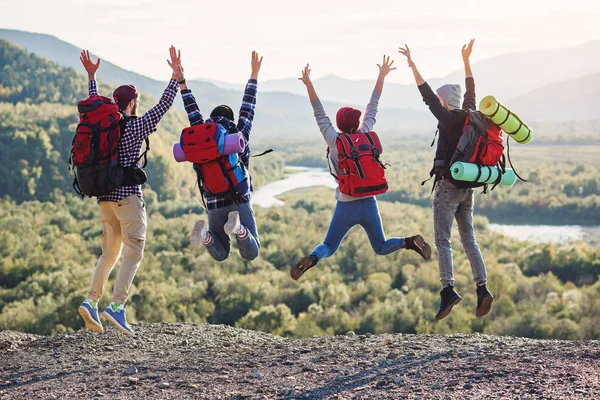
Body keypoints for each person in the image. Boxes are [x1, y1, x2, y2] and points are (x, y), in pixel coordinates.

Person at [291, 56, 432, 281]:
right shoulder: (366, 132)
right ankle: (409, 241)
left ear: (338, 125)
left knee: (329, 245)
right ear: (356, 124)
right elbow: (372, 107)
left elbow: (319, 113)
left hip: (346, 205)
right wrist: (381, 76)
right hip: (369, 203)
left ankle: (313, 258)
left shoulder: (335, 141)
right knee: (381, 246)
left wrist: (309, 84)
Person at [77, 47, 180, 336]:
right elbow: (163, 106)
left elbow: (94, 101)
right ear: (133, 103)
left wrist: (91, 77)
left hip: (105, 201)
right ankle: (117, 307)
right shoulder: (135, 127)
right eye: (136, 101)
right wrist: (176, 78)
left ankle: (91, 301)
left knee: (108, 256)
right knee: (133, 252)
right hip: (129, 199)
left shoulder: (104, 125)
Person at [398, 40, 494, 320]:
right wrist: (466, 60)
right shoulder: (471, 115)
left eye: (440, 100)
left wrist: (413, 65)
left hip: (448, 187)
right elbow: (471, 91)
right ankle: (482, 288)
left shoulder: (448, 118)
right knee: (469, 239)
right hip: (469, 188)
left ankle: (448, 290)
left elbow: (426, 94)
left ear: (444, 101)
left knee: (442, 240)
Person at [174, 50, 263, 262]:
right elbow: (248, 107)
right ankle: (240, 229)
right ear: (229, 119)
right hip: (239, 198)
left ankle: (205, 235)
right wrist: (254, 74)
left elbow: (191, 109)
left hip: (214, 201)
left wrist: (182, 82)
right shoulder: (238, 132)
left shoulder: (200, 133)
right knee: (252, 252)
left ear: (211, 121)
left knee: (221, 254)